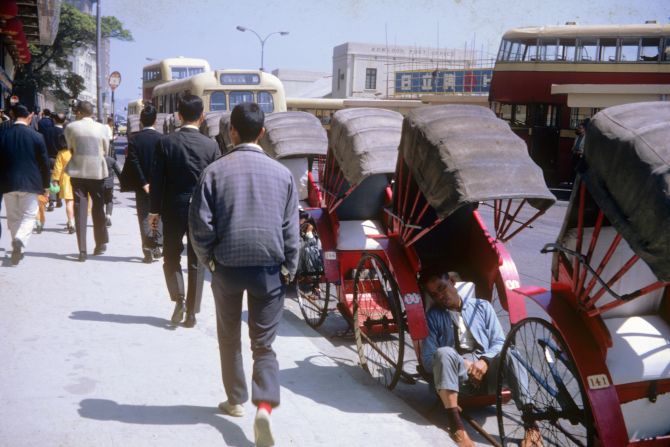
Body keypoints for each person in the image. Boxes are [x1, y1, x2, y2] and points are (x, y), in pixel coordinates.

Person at [189, 102, 300, 447]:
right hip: (269, 271)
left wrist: (208, 261)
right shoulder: (282, 175)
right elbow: (291, 230)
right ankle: (264, 406)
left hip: (226, 268)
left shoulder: (215, 172)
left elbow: (200, 225)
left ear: (231, 131)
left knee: (228, 337)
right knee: (263, 346)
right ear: (262, 133)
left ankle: (235, 400)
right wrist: (289, 268)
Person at [420, 269, 540, 447]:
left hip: (488, 373)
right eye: (435, 294)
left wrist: (484, 361)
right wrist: (463, 363)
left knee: (511, 352)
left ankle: (532, 427)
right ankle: (457, 427)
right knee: (443, 352)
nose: (441, 296)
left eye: (442, 288)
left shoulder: (482, 307)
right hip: (457, 379)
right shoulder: (433, 317)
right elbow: (428, 359)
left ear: (452, 282)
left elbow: (499, 341)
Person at [149, 95, 217, 327]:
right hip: (200, 210)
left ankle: (178, 298)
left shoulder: (165, 143)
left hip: (172, 208)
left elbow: (157, 181)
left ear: (179, 116)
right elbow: (215, 183)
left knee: (170, 256)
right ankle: (192, 313)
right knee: (197, 260)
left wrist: (154, 211)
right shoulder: (211, 145)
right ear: (202, 116)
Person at [0, 104, 50, 265]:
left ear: (13, 116)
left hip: (8, 182)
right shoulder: (37, 137)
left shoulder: (3, 134)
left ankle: (17, 247)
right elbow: (44, 164)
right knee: (29, 216)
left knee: (13, 217)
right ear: (29, 117)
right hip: (31, 183)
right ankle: (20, 239)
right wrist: (46, 185)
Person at [64, 100, 110, 262]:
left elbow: (70, 147)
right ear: (92, 113)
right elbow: (106, 148)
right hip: (97, 172)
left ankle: (82, 250)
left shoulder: (71, 127)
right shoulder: (102, 128)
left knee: (80, 210)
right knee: (98, 208)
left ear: (79, 113)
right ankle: (100, 243)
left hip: (77, 172)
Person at [125, 103, 163, 263]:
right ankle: (155, 244)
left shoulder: (134, 140)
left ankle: (147, 251)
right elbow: (162, 164)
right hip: (159, 185)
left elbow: (134, 162)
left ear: (141, 121)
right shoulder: (162, 139)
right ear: (155, 121)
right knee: (156, 214)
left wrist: (143, 182)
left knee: (143, 215)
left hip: (142, 187)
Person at [51, 133, 75, 234]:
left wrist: (55, 181)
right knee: (77, 203)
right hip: (78, 178)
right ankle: (75, 221)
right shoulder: (77, 152)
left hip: (66, 179)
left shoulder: (61, 153)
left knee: (69, 202)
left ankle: (71, 222)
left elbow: (57, 169)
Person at [43, 113, 66, 210]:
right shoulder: (65, 132)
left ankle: (51, 201)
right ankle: (59, 199)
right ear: (64, 121)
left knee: (52, 179)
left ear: (54, 120)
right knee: (61, 178)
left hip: (50, 158)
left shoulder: (47, 131)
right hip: (62, 158)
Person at [103, 155, 121, 227]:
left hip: (99, 184)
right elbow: (119, 172)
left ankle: (100, 218)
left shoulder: (95, 159)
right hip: (109, 184)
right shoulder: (111, 160)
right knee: (109, 200)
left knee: (99, 201)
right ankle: (108, 217)